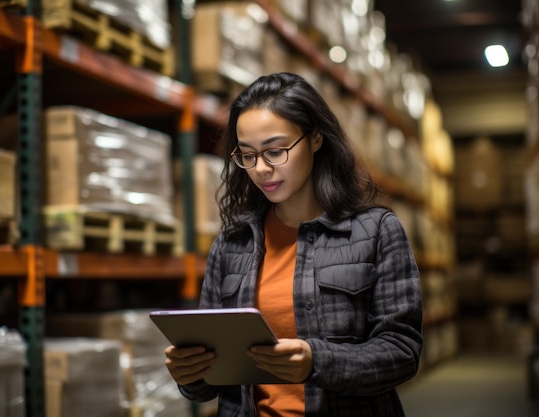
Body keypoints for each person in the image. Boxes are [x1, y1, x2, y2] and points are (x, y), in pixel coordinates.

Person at [163, 72, 423, 416]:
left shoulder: (376, 231)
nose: (261, 169)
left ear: (315, 139)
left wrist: (317, 361)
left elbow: (402, 352)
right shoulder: (231, 245)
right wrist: (190, 373)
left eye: (275, 151)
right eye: (247, 155)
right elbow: (212, 382)